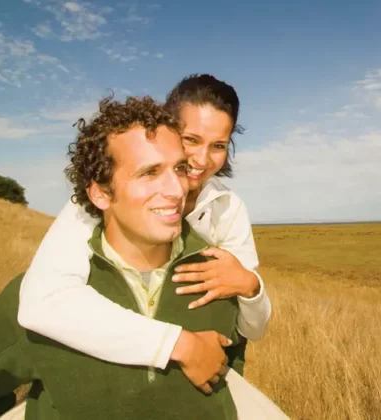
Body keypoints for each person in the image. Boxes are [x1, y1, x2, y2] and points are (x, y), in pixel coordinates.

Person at [0, 95, 286, 419]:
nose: (179, 187)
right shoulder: (39, 289)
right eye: (149, 172)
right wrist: (178, 344)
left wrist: (250, 286)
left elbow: (233, 366)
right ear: (100, 193)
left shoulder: (217, 282)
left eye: (179, 168)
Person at [16, 74, 271, 377]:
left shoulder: (228, 209)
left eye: (218, 145)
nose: (202, 160)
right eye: (191, 140)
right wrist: (177, 344)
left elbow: (252, 329)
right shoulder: (108, 195)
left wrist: (250, 286)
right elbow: (43, 300)